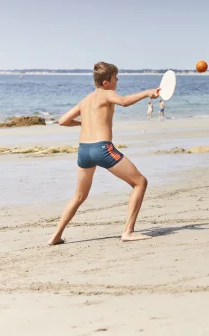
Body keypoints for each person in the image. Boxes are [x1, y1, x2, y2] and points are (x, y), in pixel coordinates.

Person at [48, 61, 160, 246]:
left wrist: (84, 123)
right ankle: (128, 232)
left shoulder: (86, 100)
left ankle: (55, 236)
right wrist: (147, 92)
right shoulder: (108, 94)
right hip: (102, 149)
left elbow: (62, 121)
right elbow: (124, 102)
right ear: (106, 82)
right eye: (115, 77)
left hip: (84, 150)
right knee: (140, 182)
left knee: (79, 196)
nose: (117, 80)